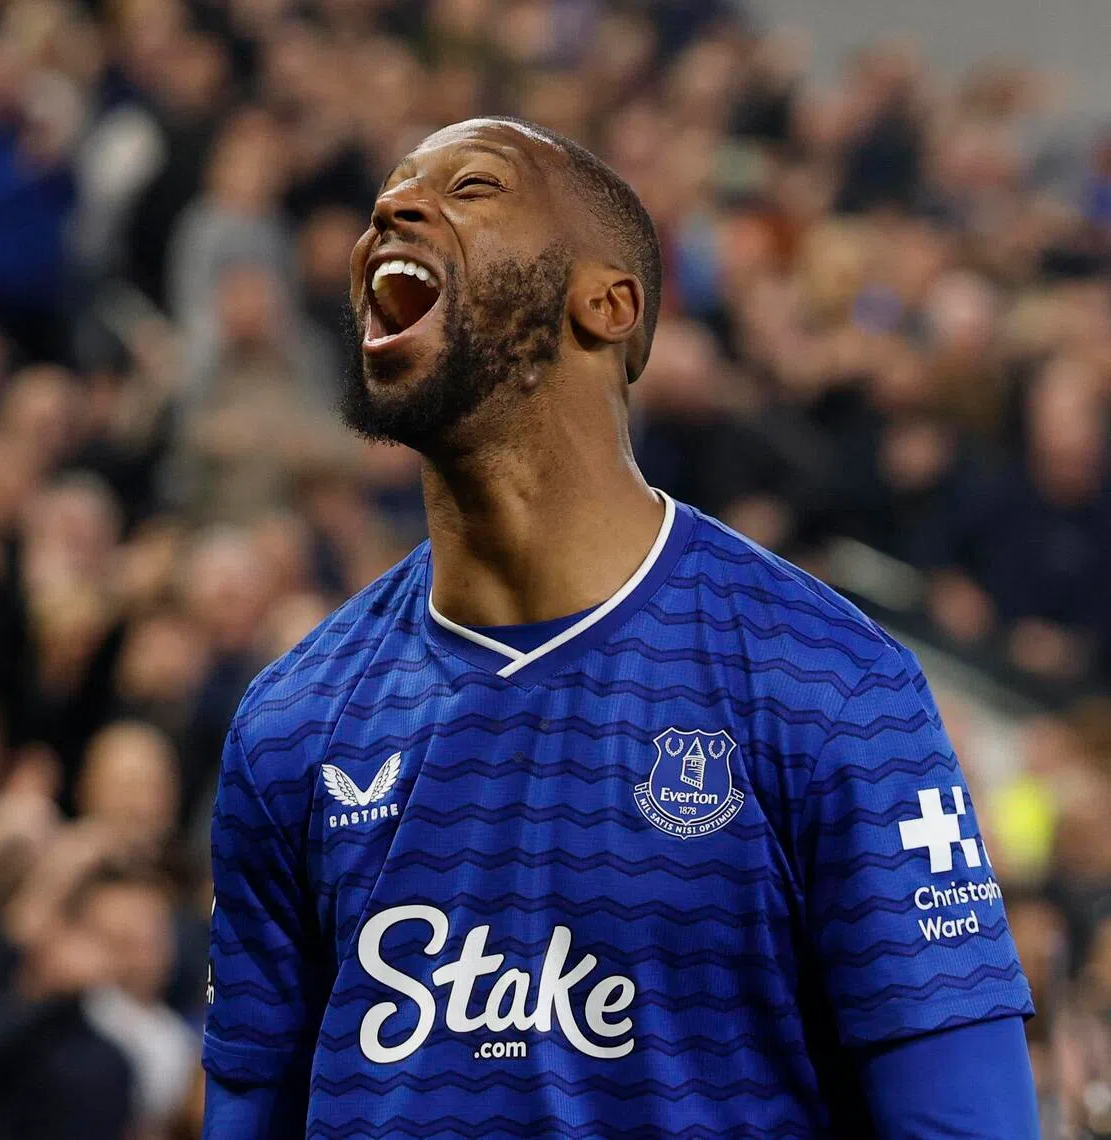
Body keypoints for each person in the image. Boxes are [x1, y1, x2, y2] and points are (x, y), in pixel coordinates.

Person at [203, 118, 1039, 1138]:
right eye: (386, 195)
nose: (392, 210)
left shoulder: (833, 686)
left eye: (471, 187)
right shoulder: (294, 722)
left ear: (607, 304)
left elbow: (965, 1121)